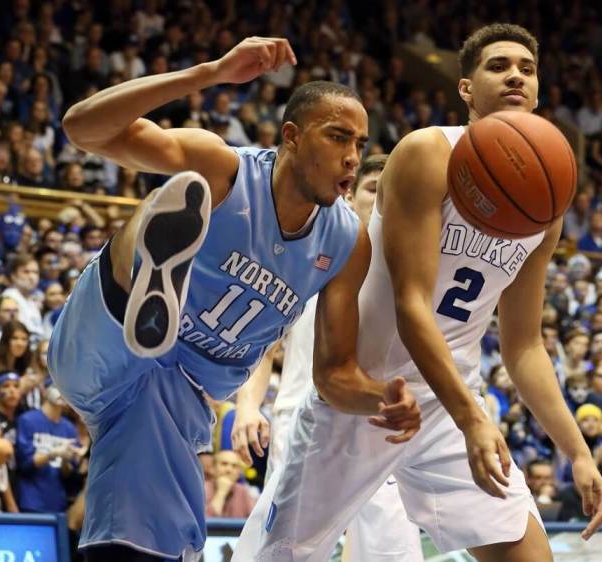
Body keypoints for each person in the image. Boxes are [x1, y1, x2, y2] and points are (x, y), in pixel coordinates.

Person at [235, 23, 602, 562]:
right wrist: (474, 419)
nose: (515, 76)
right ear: (465, 88)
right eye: (498, 66)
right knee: (279, 556)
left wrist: (576, 452)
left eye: (526, 69)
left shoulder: (545, 203)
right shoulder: (428, 152)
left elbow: (524, 345)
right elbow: (413, 306)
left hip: (448, 403)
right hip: (365, 394)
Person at [49, 37, 420, 562]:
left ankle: (160, 271)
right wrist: (207, 72)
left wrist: (383, 398)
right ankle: (151, 267)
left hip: (177, 392)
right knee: (175, 191)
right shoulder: (223, 167)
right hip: (108, 335)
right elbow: (81, 128)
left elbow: (335, 374)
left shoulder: (344, 241)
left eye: (359, 143)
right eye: (338, 137)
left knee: (152, 542)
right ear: (291, 136)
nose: (352, 158)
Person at [232, 154, 424, 561]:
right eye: (375, 189)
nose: (385, 199)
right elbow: (263, 349)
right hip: (302, 423)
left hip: (377, 428)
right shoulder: (311, 260)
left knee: (392, 552)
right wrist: (248, 408)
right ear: (350, 196)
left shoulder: (412, 278)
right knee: (280, 552)